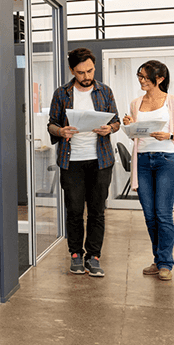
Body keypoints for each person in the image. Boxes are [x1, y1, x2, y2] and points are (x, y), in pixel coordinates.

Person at [47, 48, 119, 278]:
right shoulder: (62, 93)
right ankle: (76, 255)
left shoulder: (104, 91)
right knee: (75, 211)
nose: (86, 76)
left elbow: (115, 121)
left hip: (101, 161)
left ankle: (94, 257)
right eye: (81, 72)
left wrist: (110, 128)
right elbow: (51, 124)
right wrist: (61, 130)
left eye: (89, 70)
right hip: (72, 161)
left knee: (97, 211)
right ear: (71, 70)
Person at [122, 60, 174, 282]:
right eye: (139, 76)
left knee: (163, 213)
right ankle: (157, 258)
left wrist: (169, 136)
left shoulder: (173, 102)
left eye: (144, 77)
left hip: (167, 160)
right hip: (142, 160)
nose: (141, 80)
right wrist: (131, 124)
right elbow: (134, 135)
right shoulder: (135, 103)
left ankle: (165, 263)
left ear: (159, 78)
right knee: (150, 215)